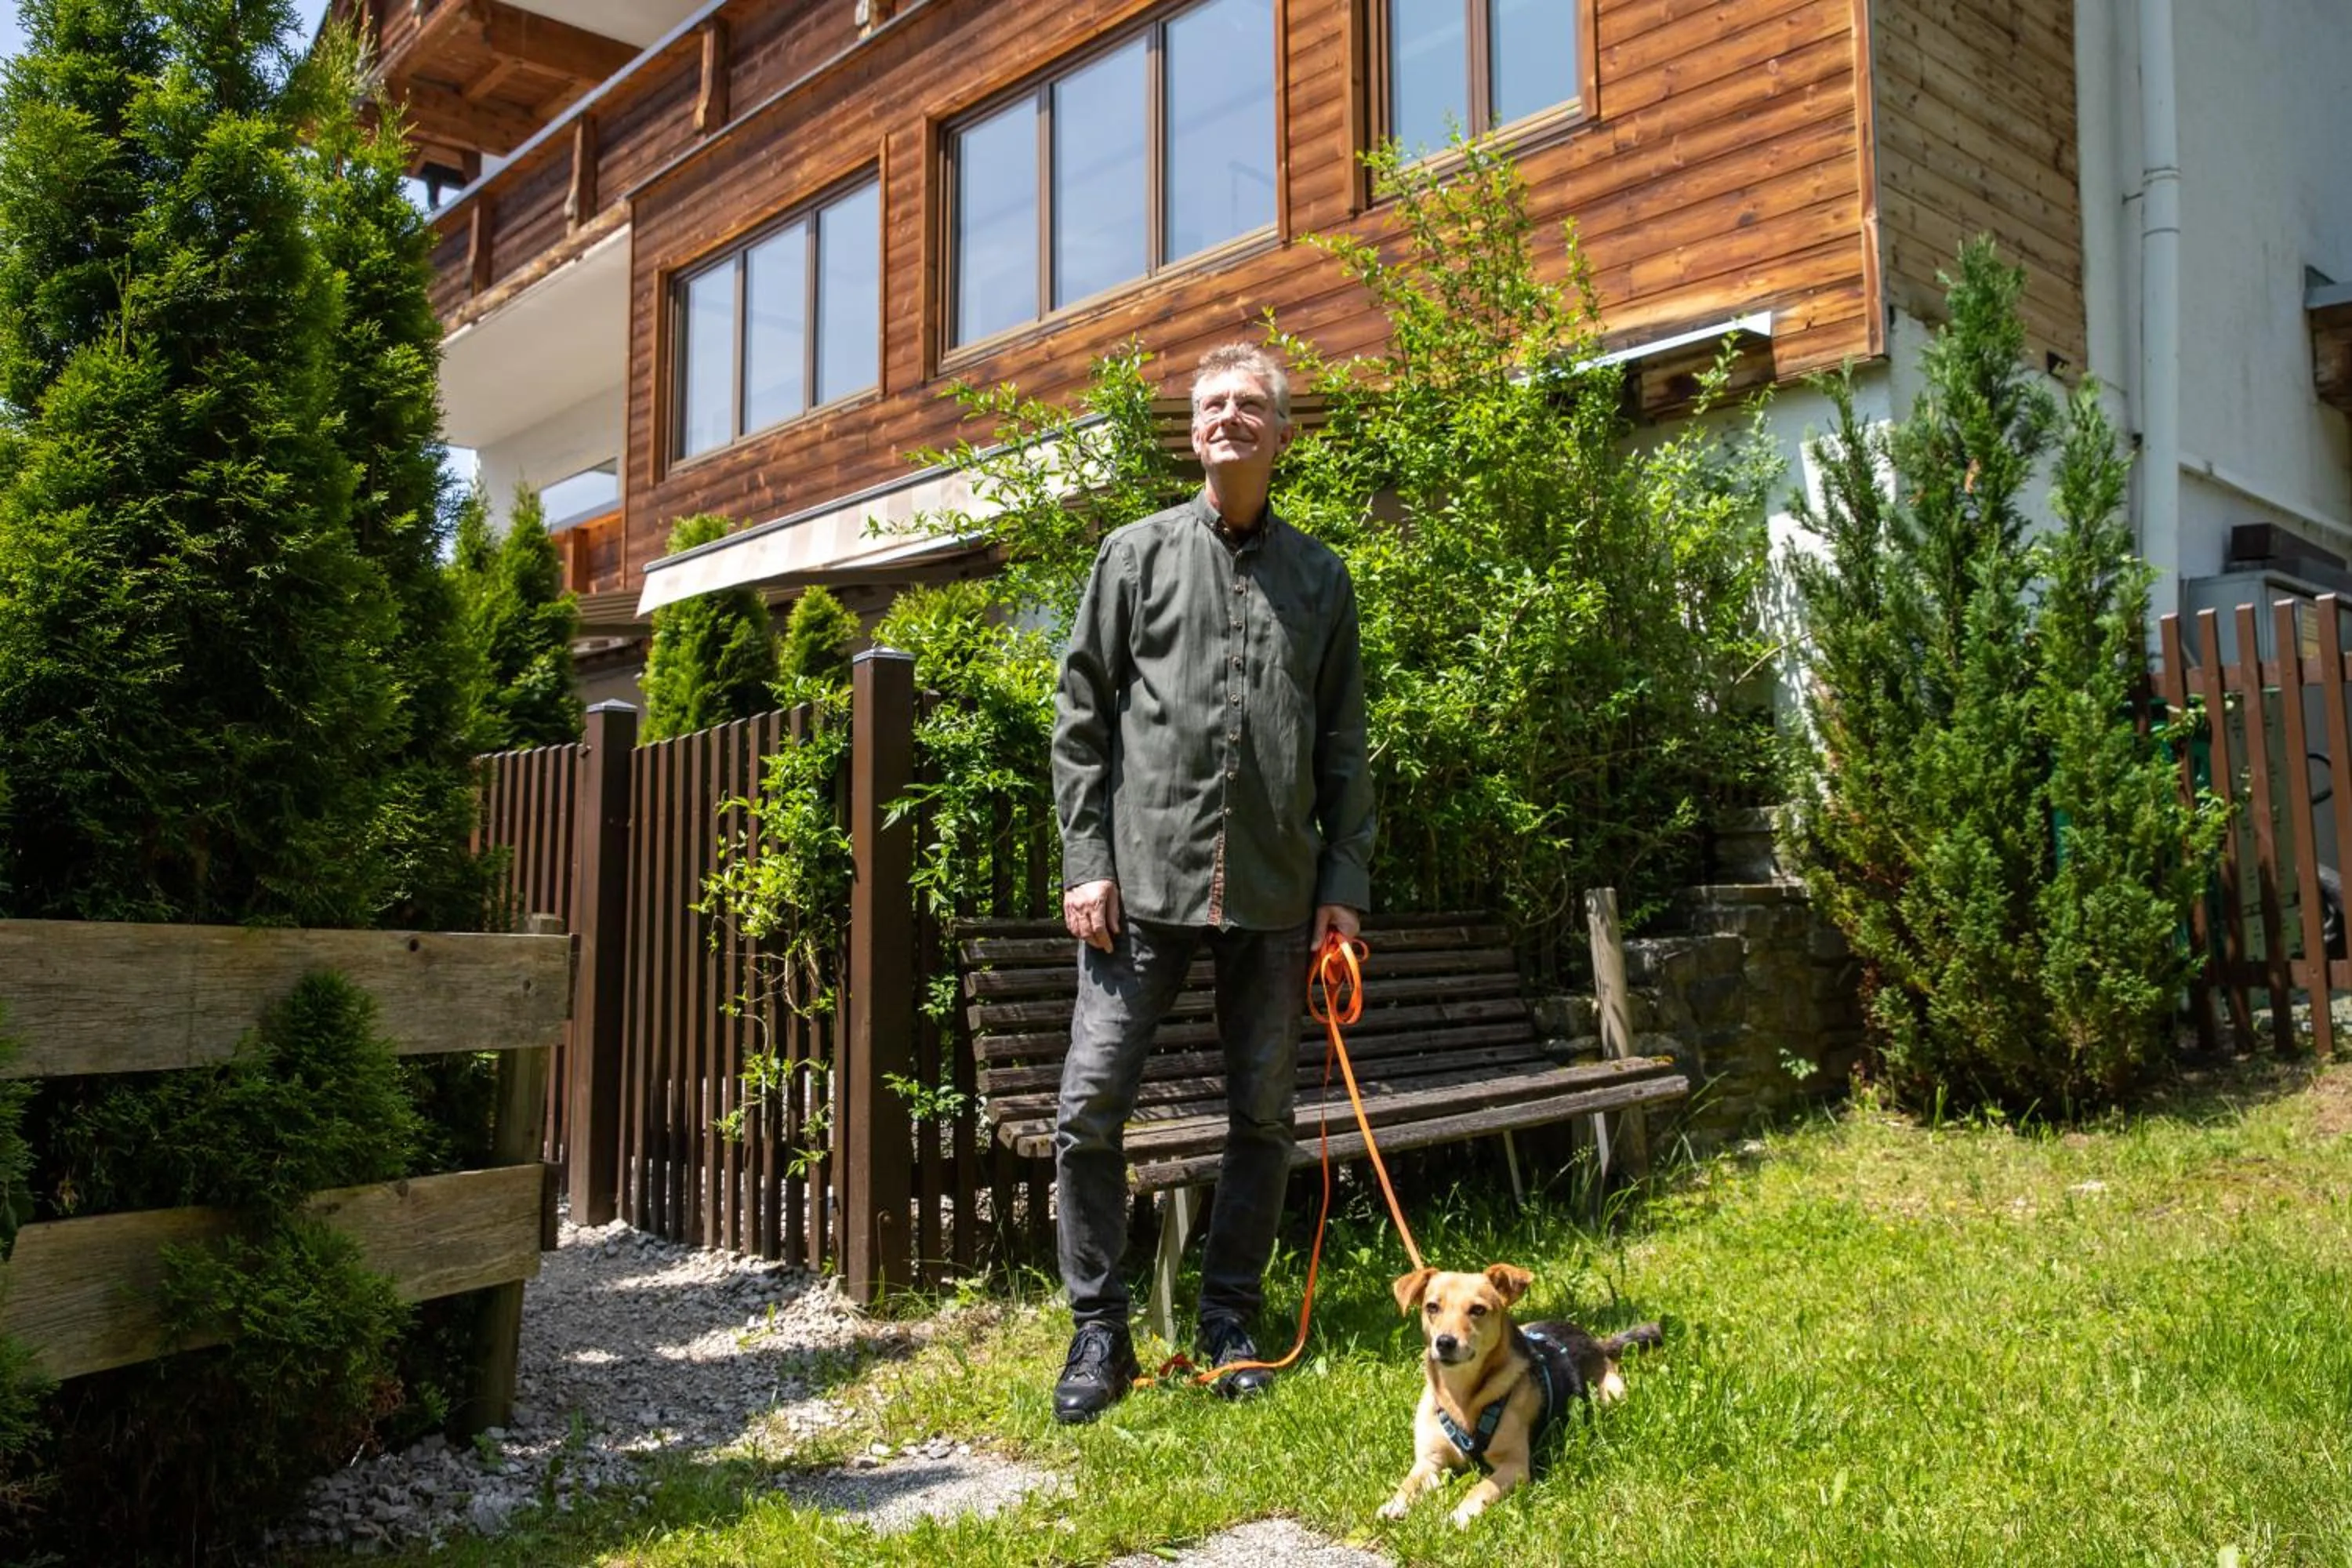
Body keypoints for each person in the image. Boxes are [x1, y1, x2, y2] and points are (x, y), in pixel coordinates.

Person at [1047, 342, 1374, 1423]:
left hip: (1279, 896)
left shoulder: (1322, 581)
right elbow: (1080, 722)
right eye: (1210, 405)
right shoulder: (1133, 558)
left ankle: (1231, 1317)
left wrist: (1344, 883)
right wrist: (1086, 862)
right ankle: (1101, 1336)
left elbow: (1344, 747)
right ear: (1193, 434)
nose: (1228, 418)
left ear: (1283, 434)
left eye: (1250, 405)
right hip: (1138, 890)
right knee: (1090, 1109)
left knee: (1265, 1119)